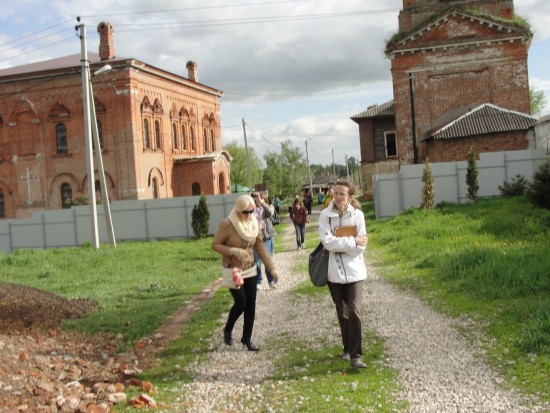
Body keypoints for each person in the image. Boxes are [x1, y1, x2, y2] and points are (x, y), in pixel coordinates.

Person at [211, 194, 279, 352]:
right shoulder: (227, 225)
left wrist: (272, 268)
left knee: (251, 305)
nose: (248, 215)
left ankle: (246, 339)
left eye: (251, 212)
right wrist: (232, 250)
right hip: (233, 270)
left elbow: (260, 247)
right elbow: (215, 245)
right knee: (241, 302)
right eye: (245, 212)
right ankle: (228, 329)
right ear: (238, 210)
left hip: (250, 268)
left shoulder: (254, 224)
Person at [318, 179, 368, 368]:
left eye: (342, 194)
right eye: (335, 193)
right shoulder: (325, 215)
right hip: (334, 274)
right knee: (343, 313)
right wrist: (352, 240)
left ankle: (357, 356)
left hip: (355, 273)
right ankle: (347, 349)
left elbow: (360, 248)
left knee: (355, 310)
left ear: (350, 196)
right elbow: (327, 243)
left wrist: (344, 243)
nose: (337, 197)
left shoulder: (358, 216)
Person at [252, 192, 277, 289]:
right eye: (256, 199)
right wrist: (249, 199)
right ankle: (258, 281)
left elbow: (270, 213)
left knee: (267, 260)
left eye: (260, 199)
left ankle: (270, 281)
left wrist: (262, 203)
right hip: (255, 239)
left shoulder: (266, 208)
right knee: (256, 261)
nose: (257, 200)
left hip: (266, 237)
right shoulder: (252, 209)